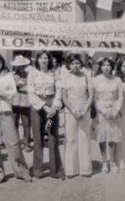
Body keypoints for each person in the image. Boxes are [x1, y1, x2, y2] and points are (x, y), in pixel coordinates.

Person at [0, 52, 32, 184]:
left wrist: (0, 93)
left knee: (13, 141)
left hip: (6, 109)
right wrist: (1, 95)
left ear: (2, 62)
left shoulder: (8, 75)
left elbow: (13, 93)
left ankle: (21, 171)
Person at [28, 51, 64, 180]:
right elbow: (31, 93)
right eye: (41, 58)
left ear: (49, 60)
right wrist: (44, 107)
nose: (44, 60)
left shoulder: (54, 73)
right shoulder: (32, 74)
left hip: (52, 104)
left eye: (46, 58)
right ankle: (37, 170)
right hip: (38, 107)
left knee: (52, 136)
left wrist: (54, 107)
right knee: (38, 138)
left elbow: (59, 90)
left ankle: (56, 170)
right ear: (37, 60)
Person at [61, 53, 93, 178]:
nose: (75, 66)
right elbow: (64, 97)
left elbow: (91, 95)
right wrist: (73, 110)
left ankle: (85, 169)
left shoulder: (86, 76)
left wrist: (84, 110)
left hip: (84, 111)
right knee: (71, 139)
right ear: (69, 64)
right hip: (71, 112)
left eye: (78, 63)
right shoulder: (66, 77)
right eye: (73, 63)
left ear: (81, 64)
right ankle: (71, 169)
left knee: (85, 139)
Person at [93, 57, 124, 173]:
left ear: (112, 67)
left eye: (109, 65)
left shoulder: (117, 80)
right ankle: (104, 162)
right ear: (101, 67)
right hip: (101, 112)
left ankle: (113, 162)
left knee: (112, 138)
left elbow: (120, 97)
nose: (107, 67)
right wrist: (103, 110)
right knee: (102, 138)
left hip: (114, 111)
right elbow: (95, 98)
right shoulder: (95, 80)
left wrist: (116, 110)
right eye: (104, 65)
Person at [11, 55, 32, 153]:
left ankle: (26, 143)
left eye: (23, 65)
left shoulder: (29, 75)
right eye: (19, 65)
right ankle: (15, 143)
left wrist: (23, 86)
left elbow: (30, 87)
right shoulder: (12, 75)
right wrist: (23, 86)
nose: (21, 67)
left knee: (26, 124)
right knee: (14, 124)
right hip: (14, 103)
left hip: (26, 103)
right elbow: (14, 87)